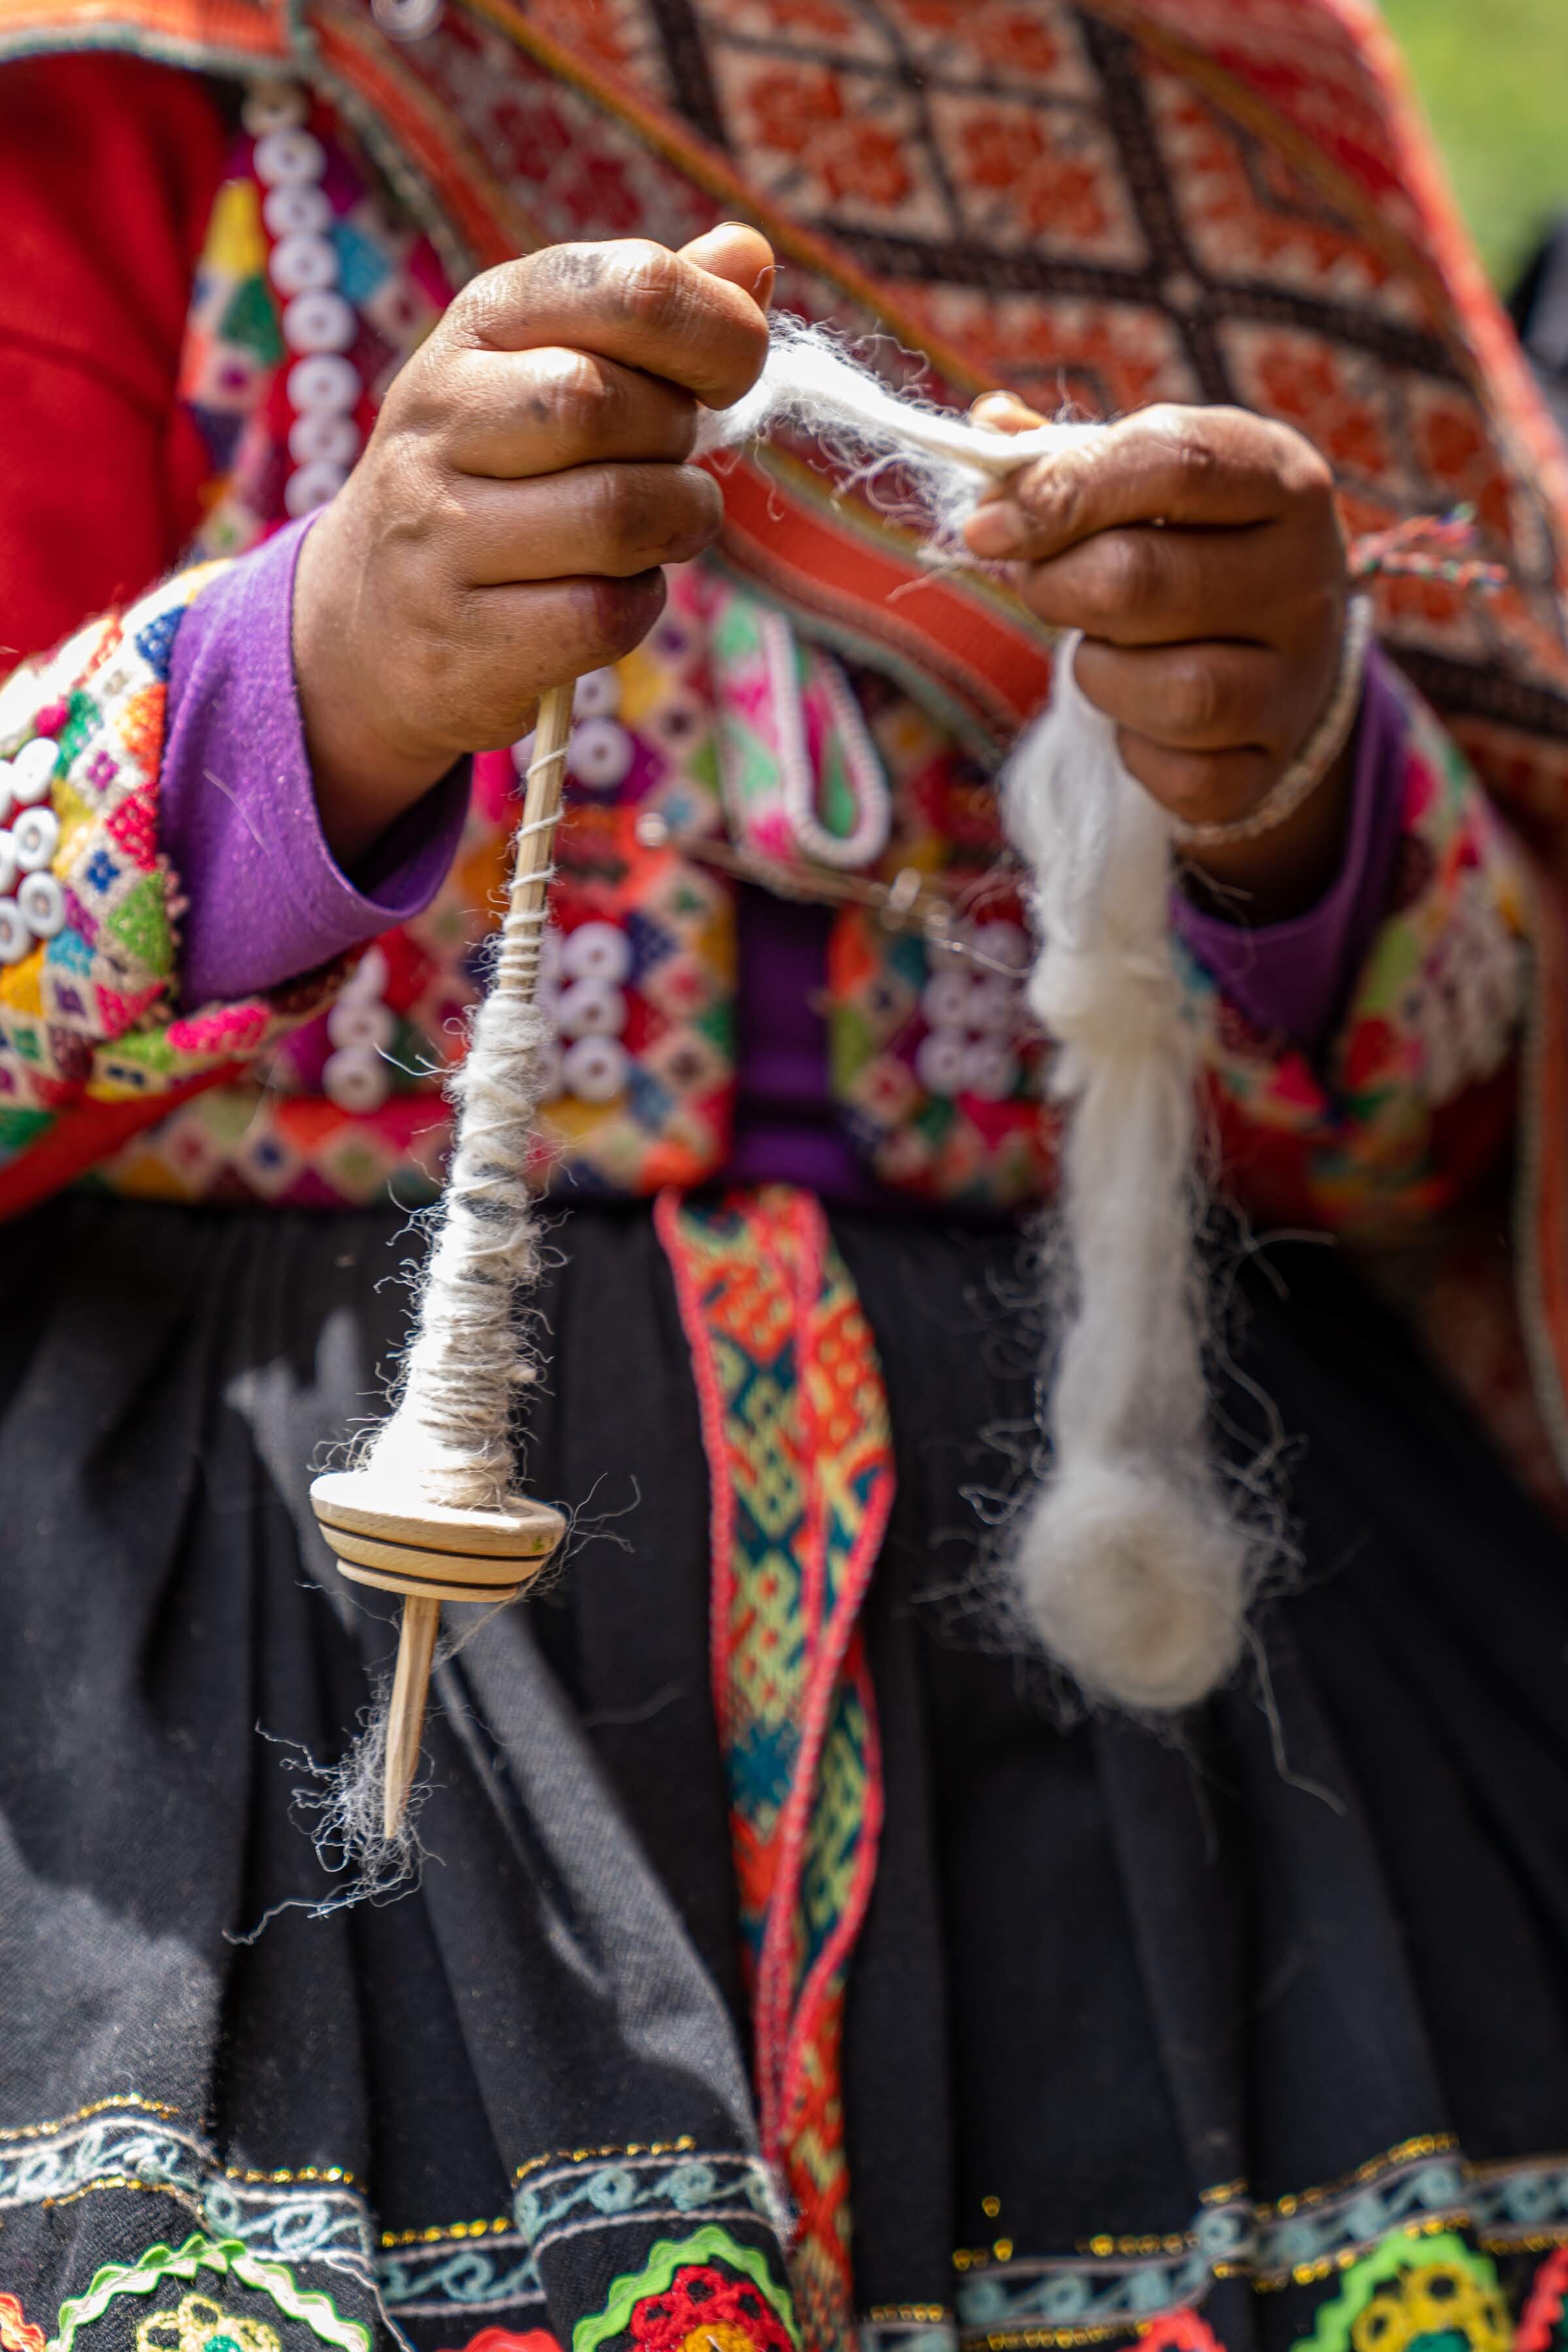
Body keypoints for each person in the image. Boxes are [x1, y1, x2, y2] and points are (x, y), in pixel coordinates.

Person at [2, 12, 1568, 2352]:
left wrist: (1291, 788)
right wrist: (313, 669)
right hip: (232, 1618)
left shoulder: (1239, 138)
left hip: (1164, 1648)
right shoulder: (138, 130)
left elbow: (1466, 1126)